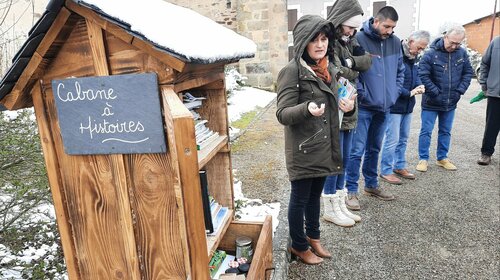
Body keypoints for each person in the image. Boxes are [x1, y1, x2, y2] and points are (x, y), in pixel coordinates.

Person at [276, 15, 355, 265]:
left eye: (324, 39)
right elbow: (282, 113)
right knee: (299, 199)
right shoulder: (291, 72)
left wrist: (349, 107)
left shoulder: (330, 68)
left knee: (314, 196)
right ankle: (298, 246)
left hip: (324, 146)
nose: (320, 45)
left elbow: (340, 104)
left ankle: (314, 237)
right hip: (303, 149)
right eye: (314, 40)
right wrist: (306, 108)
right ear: (303, 42)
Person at [344, 6, 405, 210]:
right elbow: (353, 72)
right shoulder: (359, 39)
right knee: (356, 150)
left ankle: (371, 185)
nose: (389, 31)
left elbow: (400, 71)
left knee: (375, 148)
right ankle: (351, 190)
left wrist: (394, 93)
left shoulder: (395, 42)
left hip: (385, 107)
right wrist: (363, 95)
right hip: (365, 107)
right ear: (376, 21)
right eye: (387, 26)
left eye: (393, 27)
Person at [323, 0, 372, 227]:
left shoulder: (349, 41)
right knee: (335, 160)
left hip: (350, 107)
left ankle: (340, 203)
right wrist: (352, 68)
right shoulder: (328, 41)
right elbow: (334, 71)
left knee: (344, 159)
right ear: (340, 21)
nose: (353, 32)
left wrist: (350, 62)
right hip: (337, 109)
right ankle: (330, 206)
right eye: (350, 27)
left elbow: (367, 61)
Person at [416, 23, 473, 172]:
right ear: (445, 36)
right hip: (431, 101)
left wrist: (459, 91)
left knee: (446, 131)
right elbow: (423, 75)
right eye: (452, 42)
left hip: (451, 101)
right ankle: (423, 158)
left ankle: (442, 158)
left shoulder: (462, 54)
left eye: (458, 43)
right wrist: (435, 92)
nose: (454, 46)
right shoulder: (430, 54)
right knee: (426, 131)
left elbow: (468, 73)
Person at [380, 30, 430, 184]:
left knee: (403, 139)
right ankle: (386, 170)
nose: (420, 51)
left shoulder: (413, 58)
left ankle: (399, 166)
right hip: (395, 106)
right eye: (419, 47)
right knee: (392, 139)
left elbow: (415, 75)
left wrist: (419, 84)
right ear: (411, 41)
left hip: (408, 106)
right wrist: (408, 93)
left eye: (423, 48)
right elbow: (389, 81)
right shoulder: (396, 55)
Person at [477, 36, 500, 166]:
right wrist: (484, 84)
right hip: (496, 93)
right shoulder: (496, 42)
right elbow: (485, 63)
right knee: (491, 126)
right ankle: (486, 153)